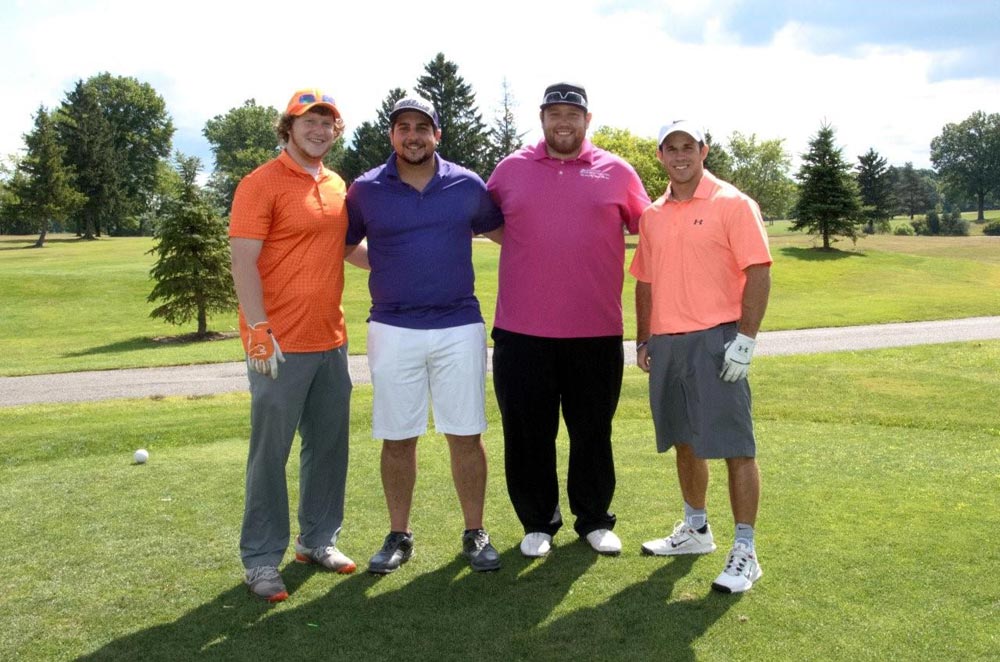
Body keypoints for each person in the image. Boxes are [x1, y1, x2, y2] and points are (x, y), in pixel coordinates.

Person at [486, 82, 650, 558]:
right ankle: (538, 522)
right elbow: (488, 221)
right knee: (527, 435)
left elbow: (652, 226)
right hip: (521, 332)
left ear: (587, 120)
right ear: (542, 119)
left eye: (572, 115)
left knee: (593, 432)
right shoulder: (511, 169)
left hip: (596, 331)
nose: (563, 122)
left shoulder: (616, 171)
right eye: (554, 113)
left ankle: (594, 519)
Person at [345, 96, 504, 574]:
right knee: (398, 437)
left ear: (437, 134)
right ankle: (399, 534)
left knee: (465, 433)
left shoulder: (466, 183)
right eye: (403, 127)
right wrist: (388, 264)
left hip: (459, 325)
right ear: (391, 135)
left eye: (421, 127)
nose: (412, 136)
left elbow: (504, 234)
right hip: (392, 326)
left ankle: (475, 531)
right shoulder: (366, 189)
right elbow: (347, 246)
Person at [229, 88, 367, 602]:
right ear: (288, 128)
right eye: (308, 121)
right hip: (277, 344)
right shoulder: (259, 183)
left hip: (331, 339)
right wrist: (257, 329)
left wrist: (408, 257)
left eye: (327, 123)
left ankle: (317, 541)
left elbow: (346, 249)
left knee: (328, 448)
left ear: (336, 131)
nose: (318, 130)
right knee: (270, 455)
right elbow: (243, 261)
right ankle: (262, 559)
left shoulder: (336, 184)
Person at [629, 119, 773, 593]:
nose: (680, 156)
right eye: (670, 148)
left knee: (735, 445)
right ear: (660, 156)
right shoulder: (653, 214)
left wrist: (746, 340)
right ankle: (696, 529)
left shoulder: (733, 203)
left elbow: (758, 271)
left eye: (687, 146)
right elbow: (645, 280)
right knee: (684, 440)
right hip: (667, 343)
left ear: (703, 150)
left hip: (717, 339)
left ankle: (746, 550)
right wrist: (644, 339)